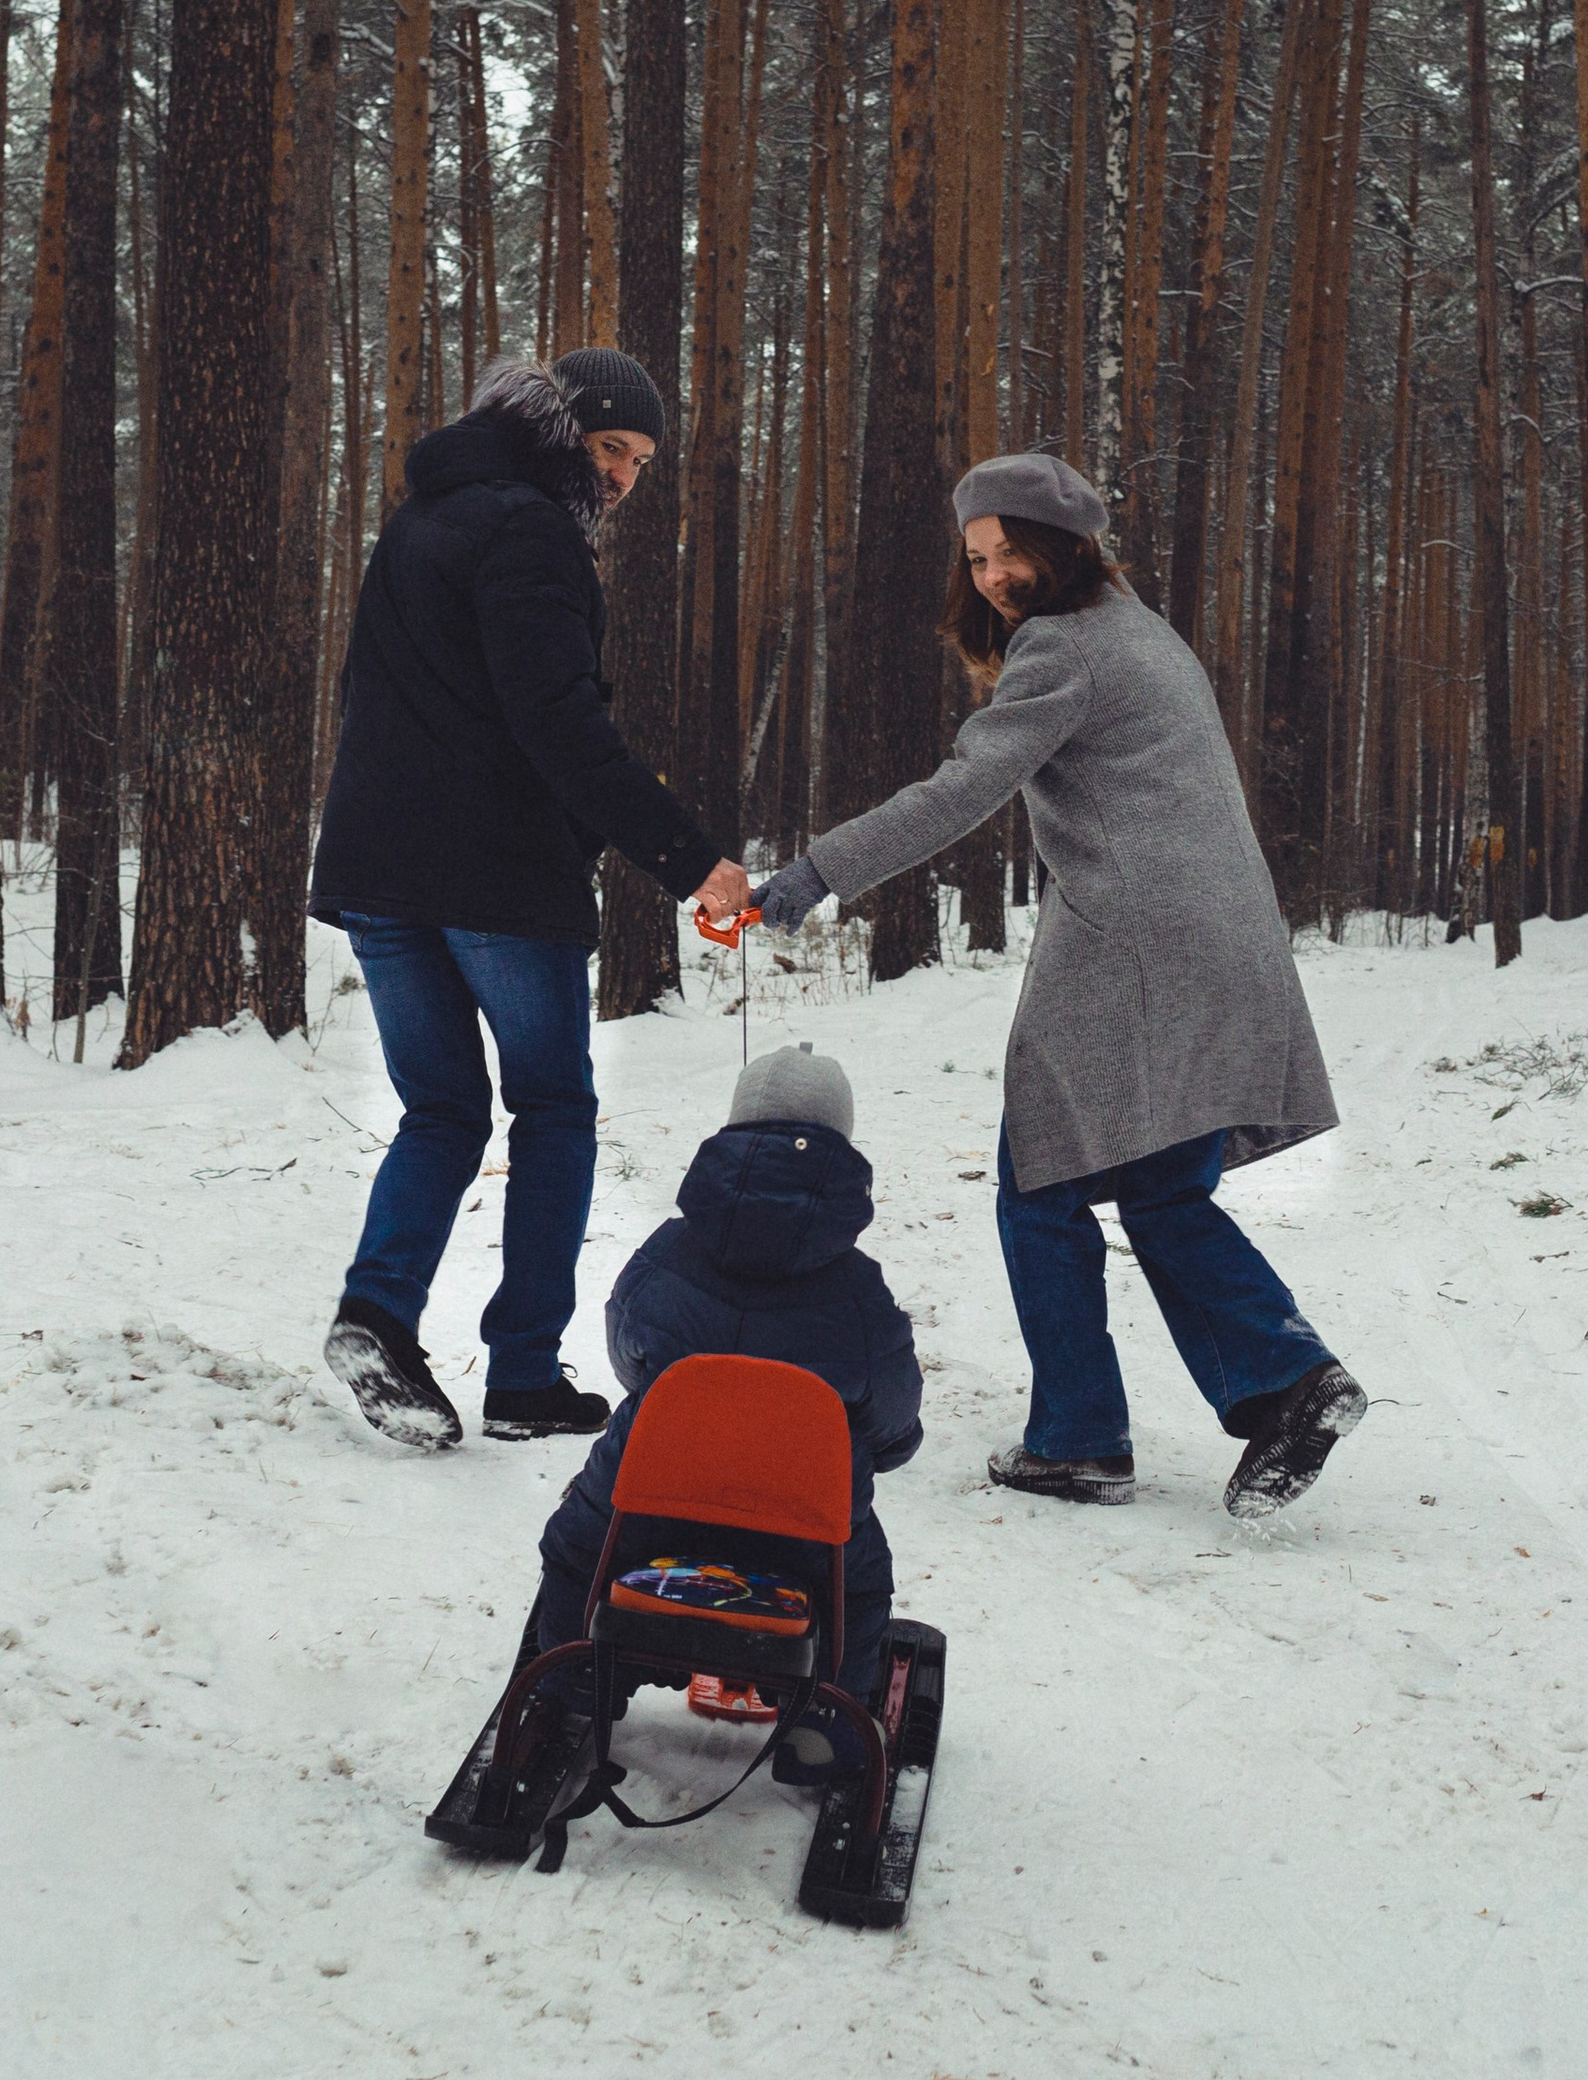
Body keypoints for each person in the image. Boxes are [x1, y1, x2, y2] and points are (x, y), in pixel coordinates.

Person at [756, 453, 1366, 1520]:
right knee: (1161, 1188)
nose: (992, 575)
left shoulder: (1065, 646)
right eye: (977, 557)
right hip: (1220, 940)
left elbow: (963, 789)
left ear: (1065, 541)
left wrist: (817, 871)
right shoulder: (1139, 628)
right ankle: (1285, 1382)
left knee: (1039, 1185)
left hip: (1136, 949)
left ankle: (1083, 1437)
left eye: (1010, 550)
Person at [309, 350, 749, 1449]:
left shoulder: (421, 521)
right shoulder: (530, 532)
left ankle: (377, 1317)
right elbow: (560, 724)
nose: (623, 481)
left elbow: (373, 692)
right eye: (610, 450)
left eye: (642, 463)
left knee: (443, 1109)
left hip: (381, 869)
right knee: (552, 1110)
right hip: (492, 872)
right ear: (560, 432)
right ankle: (520, 1373)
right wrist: (689, 858)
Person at [530, 1044, 922, 1780]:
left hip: (648, 1509)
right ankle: (826, 1719)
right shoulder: (862, 1296)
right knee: (862, 1586)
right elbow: (894, 1419)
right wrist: (879, 1446)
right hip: (803, 1533)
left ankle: (570, 1685)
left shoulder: (665, 1254)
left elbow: (627, 1352)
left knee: (577, 1547)